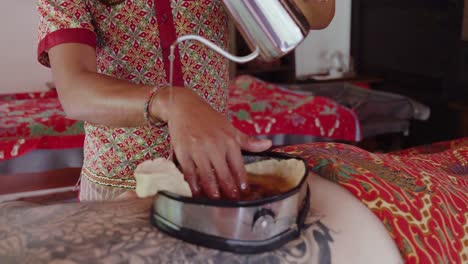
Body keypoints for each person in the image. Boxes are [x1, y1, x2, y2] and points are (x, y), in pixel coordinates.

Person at [37, 0, 336, 201]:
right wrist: (171, 102)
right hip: (118, 183)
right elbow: (75, 92)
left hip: (211, 176)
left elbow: (322, 13)